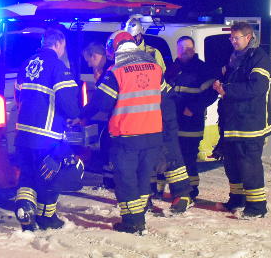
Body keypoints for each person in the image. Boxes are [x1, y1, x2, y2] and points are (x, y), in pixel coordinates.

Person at [75, 31, 163, 234]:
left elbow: (102, 102)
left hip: (127, 134)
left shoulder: (116, 71)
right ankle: (139, 216)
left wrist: (83, 115)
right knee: (143, 176)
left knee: (125, 179)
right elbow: (166, 96)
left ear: (115, 48)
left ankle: (133, 223)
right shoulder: (155, 67)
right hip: (153, 132)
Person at [14, 27, 80, 231]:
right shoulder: (58, 67)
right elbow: (68, 104)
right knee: (49, 175)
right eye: (63, 47)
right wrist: (75, 116)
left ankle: (25, 214)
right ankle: (46, 217)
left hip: (23, 133)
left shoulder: (26, 64)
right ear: (58, 44)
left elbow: (18, 96)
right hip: (47, 135)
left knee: (27, 175)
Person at [125, 14, 191, 211]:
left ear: (139, 36)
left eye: (133, 38)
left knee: (170, 151)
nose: (131, 42)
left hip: (159, 109)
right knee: (146, 155)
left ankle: (181, 194)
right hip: (144, 113)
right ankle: (147, 195)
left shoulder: (153, 53)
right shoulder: (124, 57)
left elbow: (161, 81)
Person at [213, 22, 271, 218]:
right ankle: (236, 200)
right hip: (232, 123)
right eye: (231, 38)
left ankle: (257, 207)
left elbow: (257, 88)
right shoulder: (234, 57)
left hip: (250, 124)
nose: (233, 41)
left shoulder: (259, 58)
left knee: (250, 165)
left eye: (236, 37)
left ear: (248, 37)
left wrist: (226, 90)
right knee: (232, 164)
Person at [164, 36, 218, 200]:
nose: (184, 51)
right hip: (173, 121)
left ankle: (192, 191)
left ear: (193, 49)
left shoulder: (203, 69)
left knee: (188, 157)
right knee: (174, 158)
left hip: (191, 123)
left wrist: (193, 108)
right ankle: (178, 191)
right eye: (181, 48)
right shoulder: (173, 68)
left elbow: (211, 94)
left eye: (188, 48)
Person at [82, 41, 115, 187]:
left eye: (89, 61)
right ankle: (109, 180)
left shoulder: (110, 72)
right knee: (107, 144)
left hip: (118, 118)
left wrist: (82, 116)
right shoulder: (108, 70)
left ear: (95, 56)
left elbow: (98, 101)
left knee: (108, 145)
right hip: (116, 117)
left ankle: (110, 181)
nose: (89, 65)